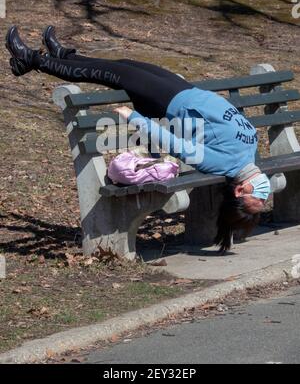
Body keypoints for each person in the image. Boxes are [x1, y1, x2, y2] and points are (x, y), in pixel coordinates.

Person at [5, 25, 272, 252]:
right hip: (185, 91)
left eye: (257, 198)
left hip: (168, 102)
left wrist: (136, 120)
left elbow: (176, 146)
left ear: (239, 190)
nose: (265, 193)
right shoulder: (249, 154)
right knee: (123, 66)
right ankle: (62, 55)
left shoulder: (224, 164)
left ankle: (29, 60)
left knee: (110, 74)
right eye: (264, 199)